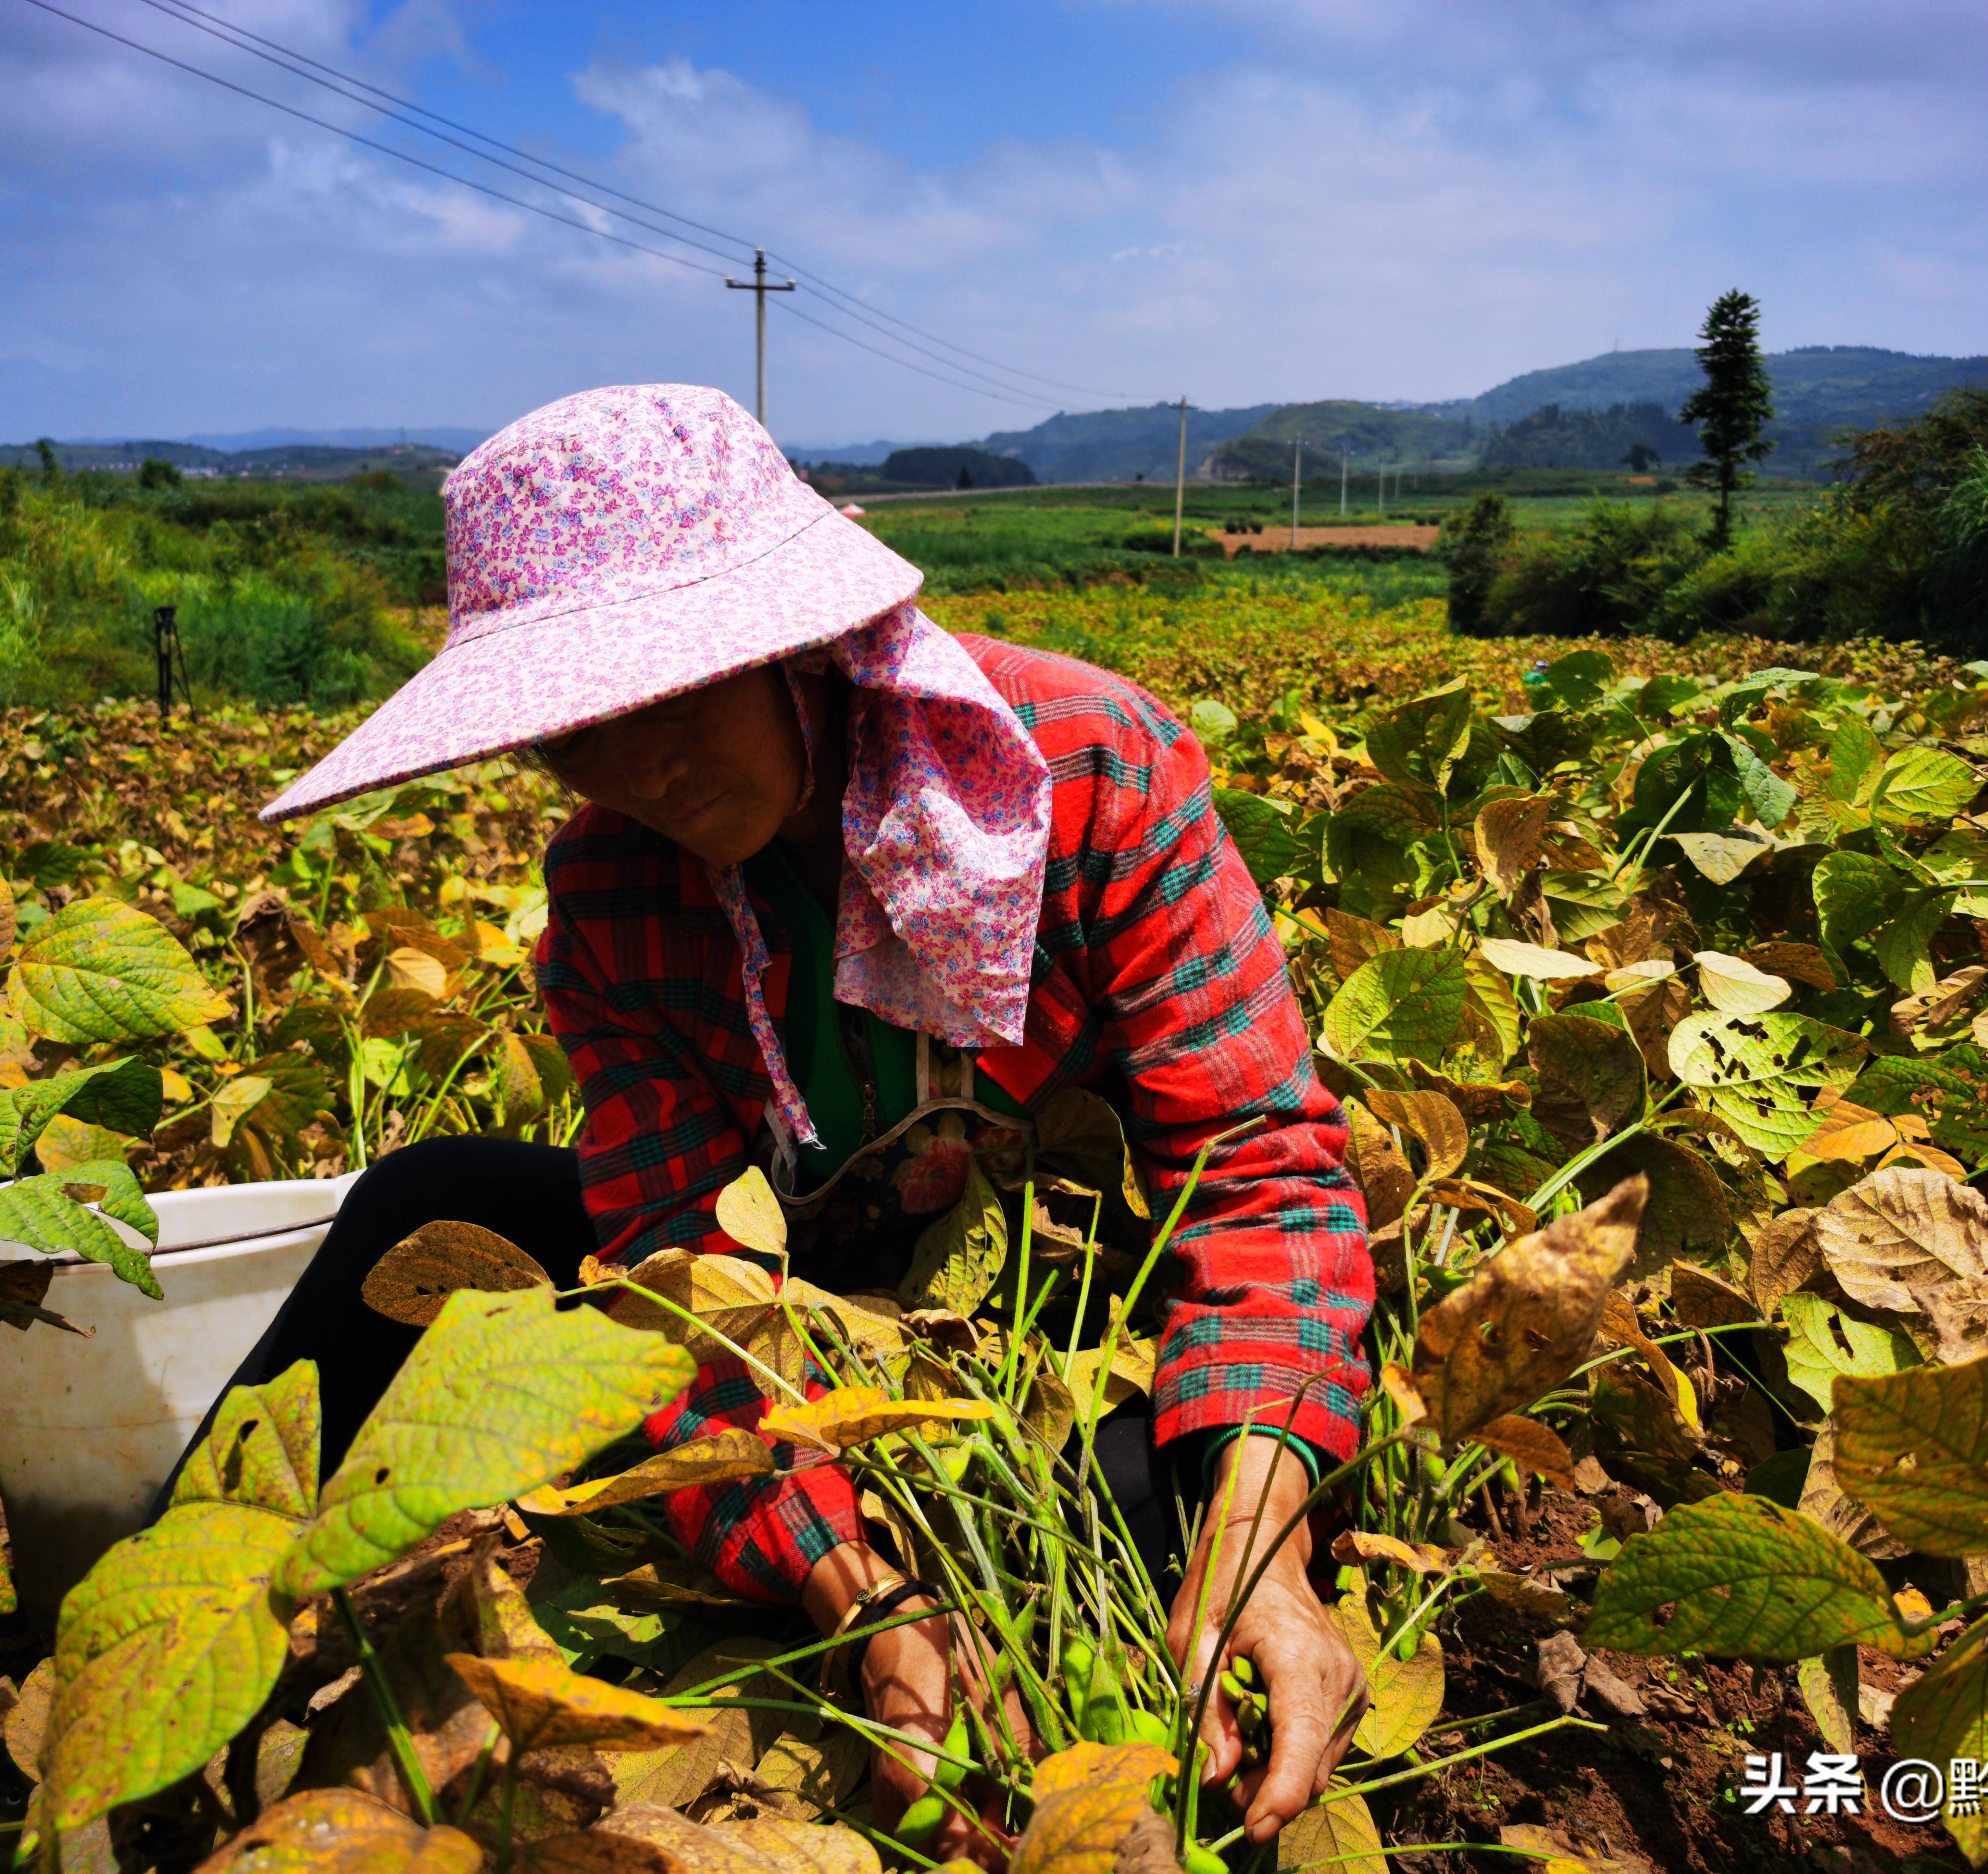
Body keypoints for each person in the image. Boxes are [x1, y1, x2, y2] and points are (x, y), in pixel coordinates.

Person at [212, 385, 1373, 1862]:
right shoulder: (615, 889)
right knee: (425, 1199)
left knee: (1100, 1500)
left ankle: (1179, 1574)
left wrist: (1259, 1537)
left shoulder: (1084, 770)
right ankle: (151, 1642)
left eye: (672, 693)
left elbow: (1258, 1172)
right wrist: (855, 1587)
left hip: (1031, 1297)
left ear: (786, 642)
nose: (639, 771)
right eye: (576, 730)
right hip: (796, 1301)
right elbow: (676, 1259)